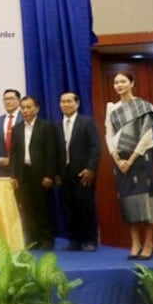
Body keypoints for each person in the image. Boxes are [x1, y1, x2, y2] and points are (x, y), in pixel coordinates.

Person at [105, 71, 153, 260]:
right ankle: (135, 243)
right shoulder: (112, 108)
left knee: (146, 201)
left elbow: (147, 136)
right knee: (127, 201)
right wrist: (116, 157)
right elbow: (109, 134)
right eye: (116, 82)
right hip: (119, 160)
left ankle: (148, 243)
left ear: (132, 83)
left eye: (123, 81)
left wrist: (130, 160)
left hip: (140, 158)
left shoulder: (144, 107)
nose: (119, 85)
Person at [10, 96, 58, 250]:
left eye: (29, 107)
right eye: (23, 107)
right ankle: (32, 239)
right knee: (27, 207)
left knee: (43, 207)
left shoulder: (46, 127)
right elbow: (14, 154)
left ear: (37, 108)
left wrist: (49, 175)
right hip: (23, 174)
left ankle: (47, 240)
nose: (26, 110)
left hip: (41, 173)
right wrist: (13, 175)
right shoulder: (17, 129)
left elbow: (52, 153)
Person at [57, 91, 101, 252]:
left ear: (77, 103)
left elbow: (95, 147)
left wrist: (90, 168)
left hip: (83, 173)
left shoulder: (86, 122)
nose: (66, 105)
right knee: (69, 208)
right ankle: (74, 240)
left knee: (86, 207)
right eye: (63, 102)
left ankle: (90, 240)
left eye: (69, 101)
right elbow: (56, 151)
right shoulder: (57, 125)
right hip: (64, 173)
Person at [0, 89, 23, 177]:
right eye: (5, 99)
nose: (8, 102)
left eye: (11, 99)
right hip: (2, 168)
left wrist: (13, 160)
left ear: (19, 101)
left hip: (21, 167)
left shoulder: (25, 119)